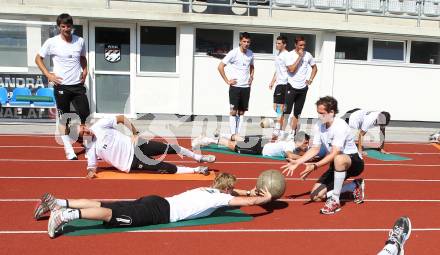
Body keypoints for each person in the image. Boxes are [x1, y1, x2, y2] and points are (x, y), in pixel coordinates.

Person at [33, 173, 272, 238]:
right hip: (159, 212)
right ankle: (64, 216)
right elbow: (248, 202)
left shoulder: (207, 189)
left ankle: (57, 203)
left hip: (156, 200)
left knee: (102, 203)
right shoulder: (220, 198)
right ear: (227, 189)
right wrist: (264, 199)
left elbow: (236, 192)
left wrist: (247, 190)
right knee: (109, 215)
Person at [281, 96, 365, 215]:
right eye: (318, 113)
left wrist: (315, 166)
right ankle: (353, 186)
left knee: (339, 158)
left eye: (322, 113)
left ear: (332, 112)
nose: (319, 116)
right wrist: (298, 162)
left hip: (353, 162)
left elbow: (335, 152)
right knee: (315, 196)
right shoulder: (319, 125)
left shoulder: (340, 126)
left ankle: (335, 201)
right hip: (335, 164)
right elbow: (315, 148)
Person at [79, 115, 215, 179]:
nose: (87, 130)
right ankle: (197, 169)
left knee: (171, 147)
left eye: (84, 127)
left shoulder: (99, 125)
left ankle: (198, 157)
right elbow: (91, 166)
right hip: (131, 162)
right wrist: (91, 173)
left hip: (136, 145)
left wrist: (134, 132)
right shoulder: (90, 149)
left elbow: (121, 118)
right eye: (83, 132)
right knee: (165, 167)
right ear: (82, 138)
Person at [35, 13, 90, 160]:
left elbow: (83, 58)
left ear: (72, 26)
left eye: (68, 26)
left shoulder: (80, 41)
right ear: (59, 27)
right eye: (63, 26)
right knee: (64, 119)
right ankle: (68, 148)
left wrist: (85, 70)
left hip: (77, 85)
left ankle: (84, 141)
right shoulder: (52, 42)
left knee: (85, 115)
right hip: (61, 86)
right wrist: (49, 75)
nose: (66, 29)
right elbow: (38, 58)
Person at [218, 32, 254, 136]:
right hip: (235, 88)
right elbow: (220, 66)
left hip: (246, 87)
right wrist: (227, 81)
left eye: (248, 42)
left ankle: (238, 134)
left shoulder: (251, 53)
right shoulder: (233, 53)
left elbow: (252, 66)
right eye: (244, 41)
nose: (246, 43)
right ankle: (233, 134)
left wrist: (251, 76)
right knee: (233, 111)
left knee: (242, 112)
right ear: (240, 41)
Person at [281, 36, 318, 140]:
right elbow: (291, 69)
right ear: (295, 45)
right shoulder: (289, 55)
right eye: (300, 45)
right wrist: (300, 57)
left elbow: (315, 68)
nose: (303, 47)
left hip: (303, 88)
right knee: (286, 112)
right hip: (291, 87)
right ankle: (282, 133)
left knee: (297, 113)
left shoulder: (308, 55)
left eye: (304, 45)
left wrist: (310, 80)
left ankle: (293, 134)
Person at [192, 131, 315, 160]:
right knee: (233, 146)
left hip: (262, 143)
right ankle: (209, 139)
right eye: (305, 142)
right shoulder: (290, 146)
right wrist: (305, 158)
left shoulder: (295, 145)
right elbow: (290, 155)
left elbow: (307, 151)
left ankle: (224, 133)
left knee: (241, 139)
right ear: (298, 141)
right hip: (259, 149)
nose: (307, 145)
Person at [269, 35, 289, 140]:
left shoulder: (287, 55)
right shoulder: (278, 55)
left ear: (284, 44)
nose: (277, 45)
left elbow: (290, 69)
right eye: (276, 43)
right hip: (278, 84)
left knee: (281, 109)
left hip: (285, 84)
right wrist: (272, 81)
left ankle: (278, 132)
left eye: (279, 43)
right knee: (276, 107)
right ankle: (279, 130)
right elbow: (277, 70)